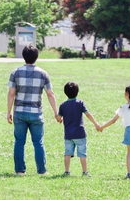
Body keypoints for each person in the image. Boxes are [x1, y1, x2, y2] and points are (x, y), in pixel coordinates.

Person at [7, 44, 58, 175]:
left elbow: (11, 93)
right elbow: (50, 94)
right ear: (36, 57)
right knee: (38, 142)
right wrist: (56, 112)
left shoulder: (15, 72)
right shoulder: (43, 74)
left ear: (23, 56)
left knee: (19, 142)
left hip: (19, 112)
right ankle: (41, 171)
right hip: (36, 114)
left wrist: (8, 112)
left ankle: (20, 170)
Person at [56, 82, 100, 177]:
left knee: (67, 153)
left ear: (65, 92)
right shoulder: (80, 103)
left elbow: (58, 118)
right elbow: (87, 114)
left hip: (68, 135)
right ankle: (84, 172)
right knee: (82, 154)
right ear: (77, 92)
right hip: (80, 134)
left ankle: (67, 171)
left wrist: (60, 119)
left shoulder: (63, 105)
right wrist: (96, 123)